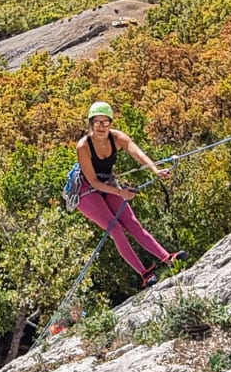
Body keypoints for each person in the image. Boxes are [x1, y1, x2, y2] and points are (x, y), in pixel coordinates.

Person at [76, 101, 186, 288]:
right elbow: (93, 182)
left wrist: (155, 170)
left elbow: (138, 153)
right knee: (116, 228)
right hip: (86, 191)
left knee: (133, 224)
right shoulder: (83, 146)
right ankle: (144, 274)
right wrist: (121, 192)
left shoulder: (117, 137)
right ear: (90, 123)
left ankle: (168, 258)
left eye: (105, 122)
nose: (101, 127)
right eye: (97, 122)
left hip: (107, 183)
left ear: (110, 123)